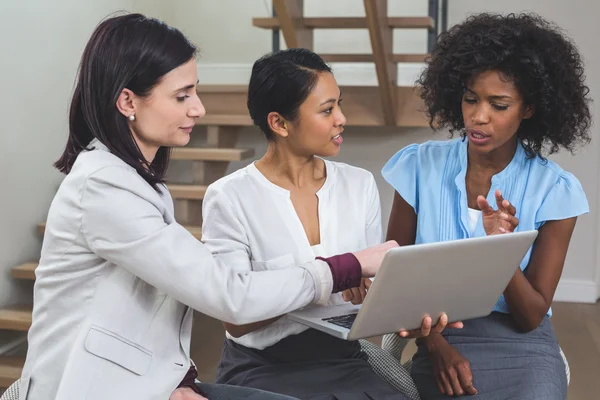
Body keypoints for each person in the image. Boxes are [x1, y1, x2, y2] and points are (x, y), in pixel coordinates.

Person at [18, 14, 398, 400]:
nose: (198, 109)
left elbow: (149, 310)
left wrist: (176, 382)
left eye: (195, 92)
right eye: (182, 96)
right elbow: (228, 295)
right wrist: (346, 266)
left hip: (142, 381)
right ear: (128, 101)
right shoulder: (104, 189)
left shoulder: (136, 183)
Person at [201, 48, 464, 400]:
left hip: (344, 360)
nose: (341, 118)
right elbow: (236, 316)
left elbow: (366, 293)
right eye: (327, 110)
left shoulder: (359, 185)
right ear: (279, 123)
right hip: (262, 367)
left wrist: (407, 312)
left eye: (339, 104)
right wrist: (334, 276)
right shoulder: (229, 197)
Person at [382, 12, 591, 400]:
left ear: (527, 109)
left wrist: (499, 250)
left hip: (521, 344)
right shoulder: (418, 167)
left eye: (499, 104)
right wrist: (438, 348)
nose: (479, 116)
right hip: (440, 335)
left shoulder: (556, 189)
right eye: (470, 99)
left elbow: (530, 316)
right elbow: (395, 285)